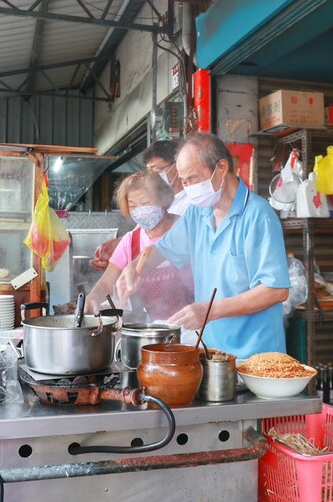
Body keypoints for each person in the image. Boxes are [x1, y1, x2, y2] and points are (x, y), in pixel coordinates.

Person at [117, 133, 290, 359]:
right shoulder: (198, 213)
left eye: (193, 179)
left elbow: (276, 290)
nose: (188, 189)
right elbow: (162, 250)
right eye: (184, 181)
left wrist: (210, 310)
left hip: (257, 356)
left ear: (221, 168)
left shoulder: (258, 216)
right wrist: (133, 269)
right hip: (213, 353)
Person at [84, 171, 194, 321]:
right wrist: (93, 297)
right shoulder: (131, 242)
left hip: (195, 322)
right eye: (133, 206)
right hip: (155, 326)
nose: (140, 211)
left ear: (163, 199)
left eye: (145, 202)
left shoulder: (185, 229)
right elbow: (106, 283)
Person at [90, 140, 187, 271]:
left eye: (157, 170)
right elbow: (142, 235)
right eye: (149, 170)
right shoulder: (147, 210)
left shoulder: (190, 204)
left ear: (176, 167)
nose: (152, 176)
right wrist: (118, 251)